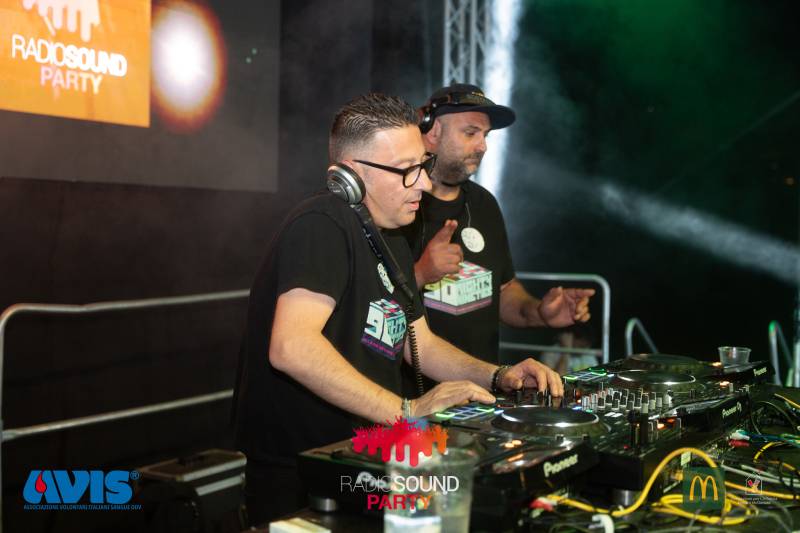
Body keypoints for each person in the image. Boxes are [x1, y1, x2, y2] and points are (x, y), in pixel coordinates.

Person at [232, 93, 564, 525]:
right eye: (407, 170)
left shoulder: (391, 236)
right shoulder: (322, 224)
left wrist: (499, 376)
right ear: (351, 175)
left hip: (358, 459)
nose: (423, 184)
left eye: (422, 166)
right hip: (300, 473)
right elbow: (291, 347)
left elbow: (419, 342)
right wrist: (407, 412)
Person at [404, 83, 595, 364]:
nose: (482, 146)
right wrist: (420, 273)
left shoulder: (485, 204)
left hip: (483, 384)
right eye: (470, 132)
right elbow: (367, 305)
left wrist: (539, 312)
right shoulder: (399, 203)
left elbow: (503, 291)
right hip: (414, 390)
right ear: (432, 131)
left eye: (485, 135)